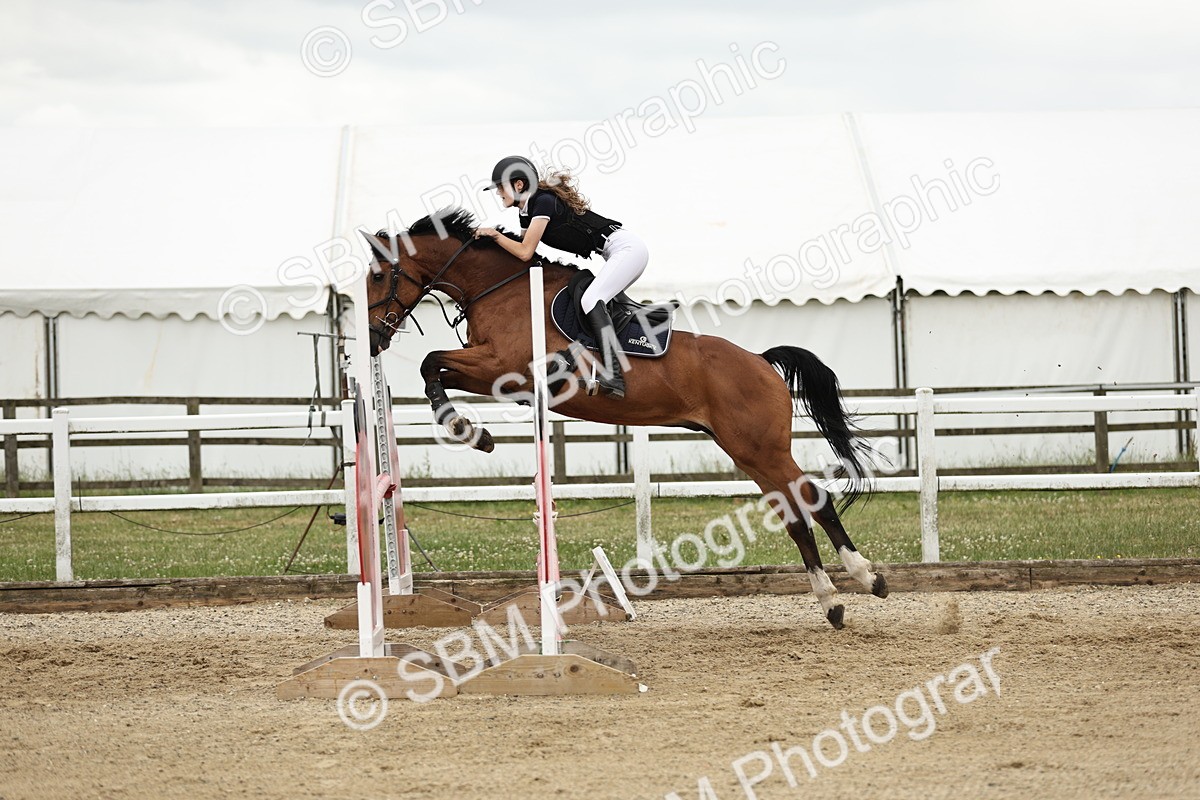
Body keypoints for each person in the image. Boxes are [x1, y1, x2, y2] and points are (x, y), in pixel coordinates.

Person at [475, 155, 648, 398]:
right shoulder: (527, 211)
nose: (498, 193)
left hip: (627, 250)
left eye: (501, 187)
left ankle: (615, 378)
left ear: (519, 185)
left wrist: (494, 235)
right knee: (592, 301)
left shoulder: (543, 202)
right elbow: (525, 250)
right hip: (615, 253)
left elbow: (524, 252)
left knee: (590, 300)